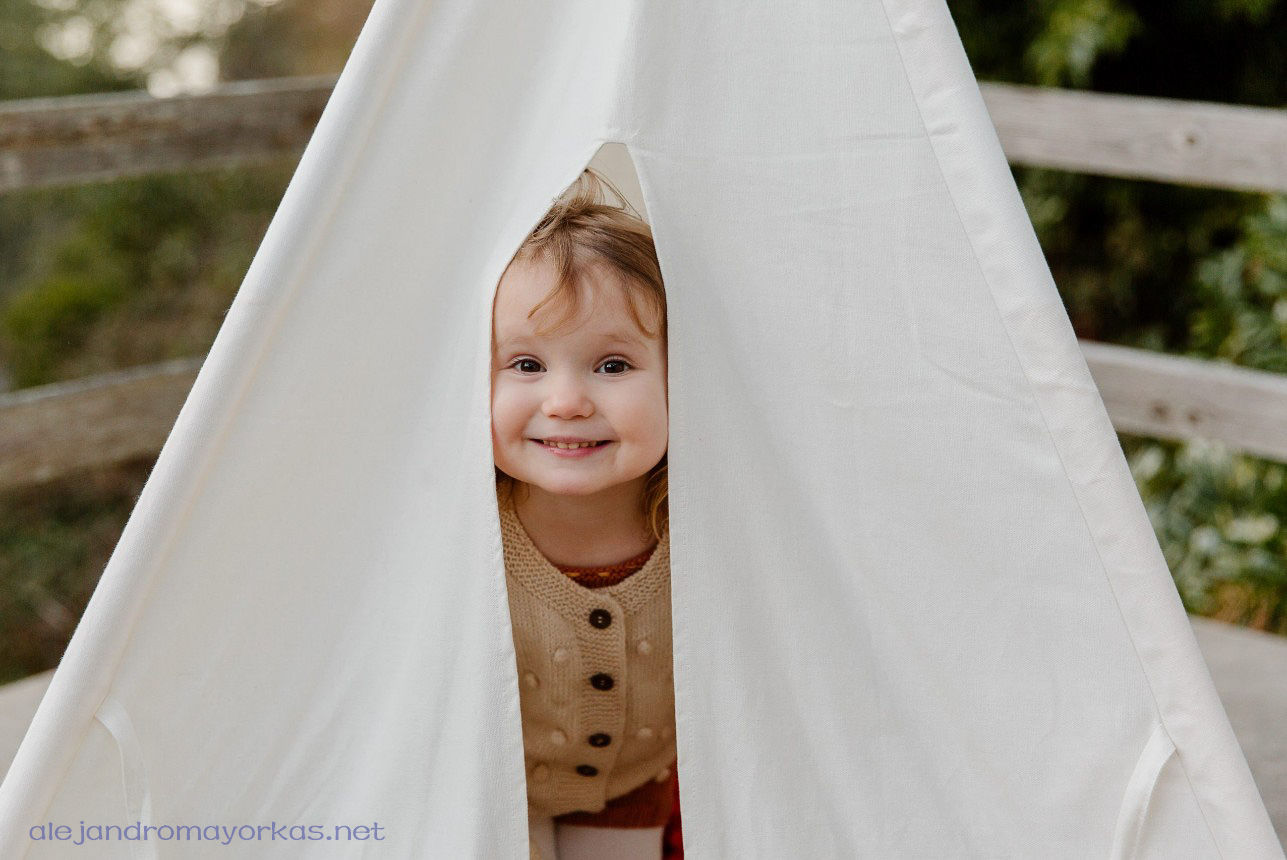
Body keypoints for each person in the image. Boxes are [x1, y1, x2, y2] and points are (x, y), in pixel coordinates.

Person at [490, 168, 678, 860]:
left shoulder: (704, 521)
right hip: (491, 782)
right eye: (527, 365)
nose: (566, 400)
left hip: (633, 786)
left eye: (611, 365)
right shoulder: (460, 528)